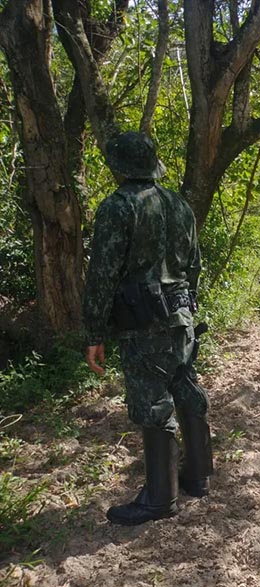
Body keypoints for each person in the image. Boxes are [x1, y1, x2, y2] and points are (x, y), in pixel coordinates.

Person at [83, 131, 213, 526]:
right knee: (185, 386)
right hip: (182, 315)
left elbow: (102, 275)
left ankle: (160, 498)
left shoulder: (118, 207)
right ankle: (198, 476)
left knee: (153, 402)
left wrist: (94, 332)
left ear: (119, 167)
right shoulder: (179, 205)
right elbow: (194, 263)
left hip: (144, 324)